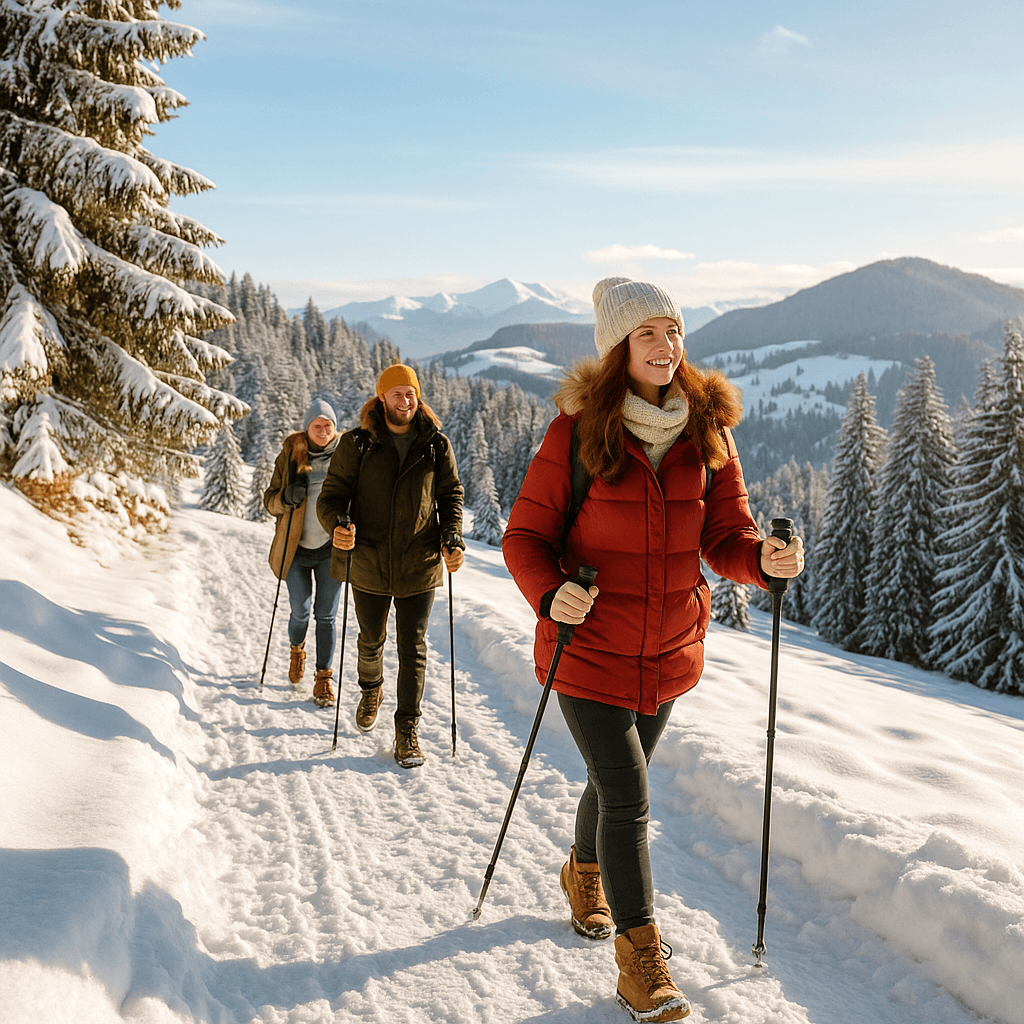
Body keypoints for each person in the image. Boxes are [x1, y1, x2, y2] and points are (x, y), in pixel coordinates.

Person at [502, 277, 804, 1023]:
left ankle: (583, 872)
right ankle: (641, 961)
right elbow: (524, 538)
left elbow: (725, 536)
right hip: (588, 647)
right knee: (629, 795)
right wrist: (549, 592)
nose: (666, 346)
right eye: (648, 334)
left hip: (669, 650)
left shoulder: (708, 431)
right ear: (618, 347)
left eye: (673, 331)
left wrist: (762, 561)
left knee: (612, 785)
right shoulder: (577, 432)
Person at [317, 364, 465, 768]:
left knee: (413, 647)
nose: (406, 400)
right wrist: (336, 526)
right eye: (397, 393)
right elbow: (331, 496)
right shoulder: (357, 443)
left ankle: (407, 731)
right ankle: (371, 689)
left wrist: (452, 535)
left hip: (420, 562)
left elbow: (451, 494)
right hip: (368, 560)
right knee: (371, 639)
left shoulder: (435, 444)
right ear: (381, 398)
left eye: (411, 393)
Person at [264, 398, 345, 707]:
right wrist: (285, 497)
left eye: (328, 425)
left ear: (335, 428)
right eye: (317, 425)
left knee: (326, 616)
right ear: (307, 428)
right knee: (300, 610)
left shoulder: (346, 457)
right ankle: (296, 650)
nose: (323, 431)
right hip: (295, 550)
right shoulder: (290, 455)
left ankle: (324, 679)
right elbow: (269, 501)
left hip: (330, 550)